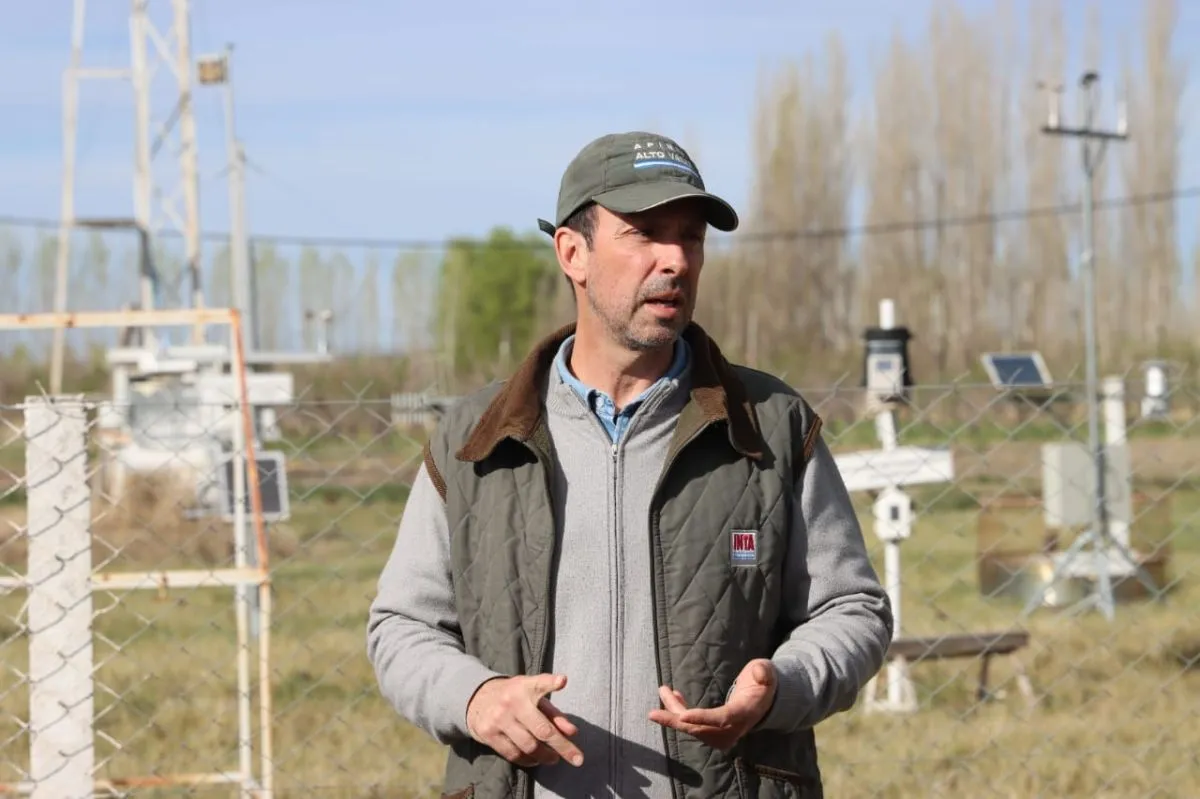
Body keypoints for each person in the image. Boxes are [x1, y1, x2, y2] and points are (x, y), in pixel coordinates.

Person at [367, 131, 894, 799]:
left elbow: (853, 609)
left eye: (691, 237)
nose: (675, 259)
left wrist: (779, 685)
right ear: (572, 252)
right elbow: (402, 626)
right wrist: (477, 698)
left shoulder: (769, 426)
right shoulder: (475, 440)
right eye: (644, 233)